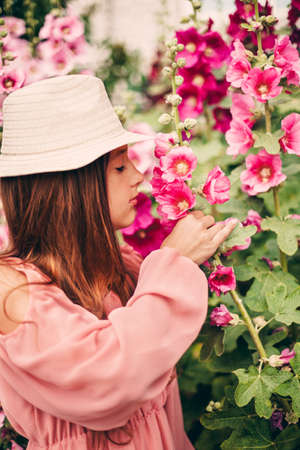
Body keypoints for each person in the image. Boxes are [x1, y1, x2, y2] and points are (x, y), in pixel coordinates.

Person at [0, 75, 236, 449]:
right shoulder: (12, 288)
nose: (139, 178)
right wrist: (174, 263)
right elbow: (110, 379)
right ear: (71, 186)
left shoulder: (115, 265)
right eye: (120, 167)